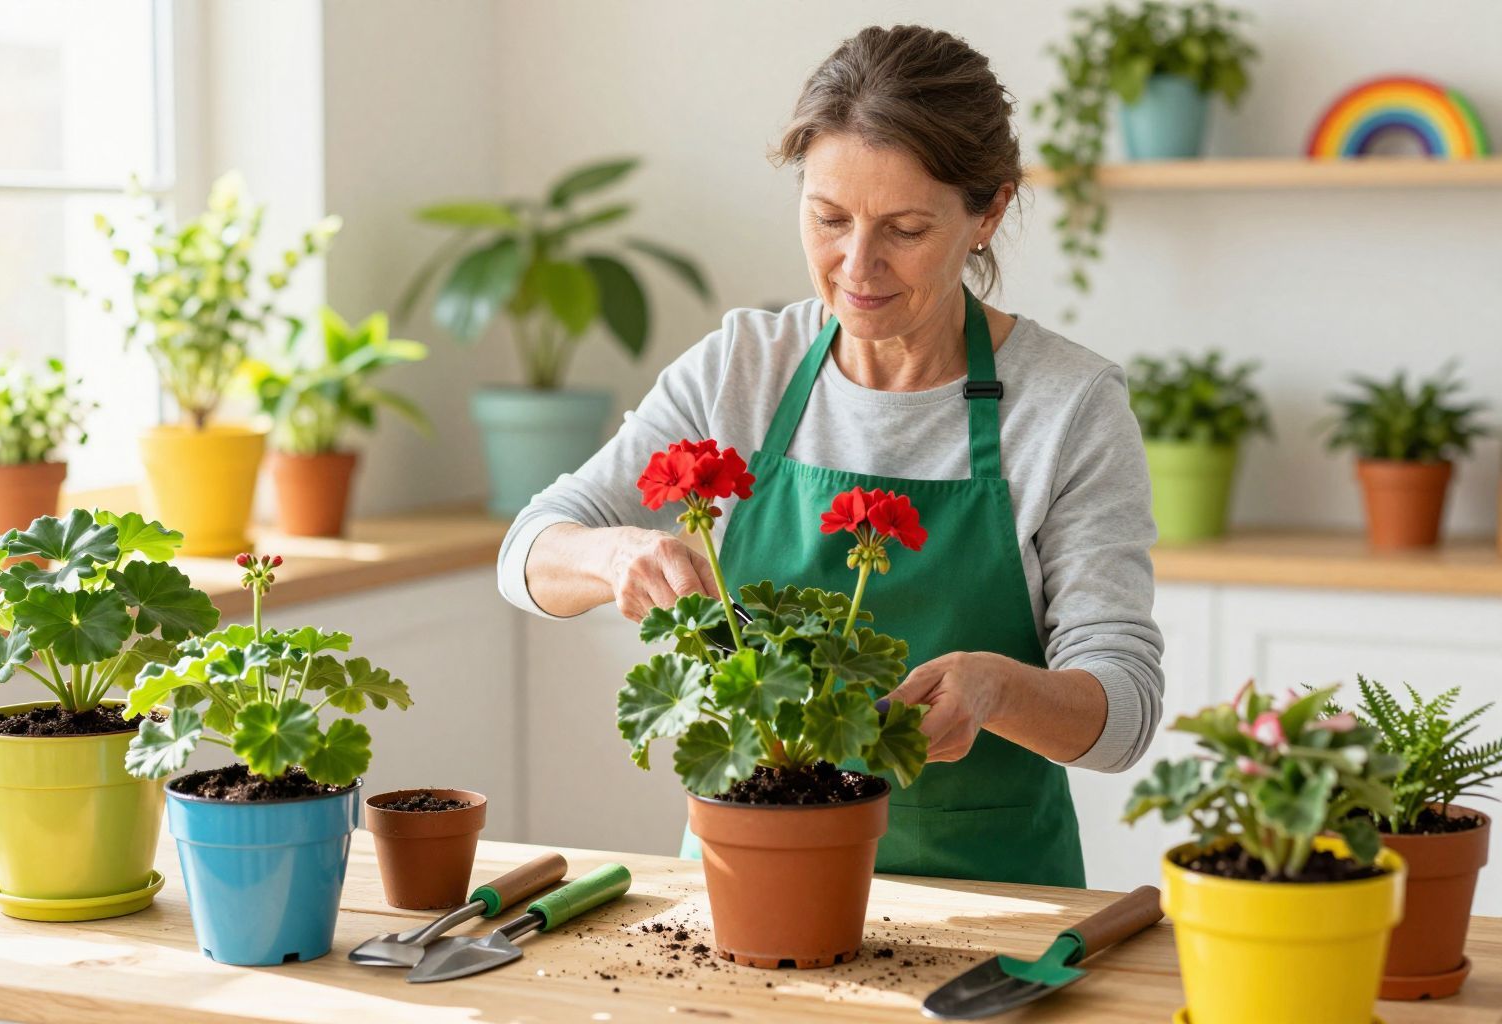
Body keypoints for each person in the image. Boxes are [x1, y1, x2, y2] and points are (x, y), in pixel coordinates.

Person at [497, 24, 1163, 886]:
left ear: (988, 213)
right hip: (747, 890)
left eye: (906, 228)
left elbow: (1125, 711)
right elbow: (528, 551)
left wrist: (1000, 690)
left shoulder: (1068, 407)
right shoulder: (743, 367)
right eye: (829, 218)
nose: (858, 264)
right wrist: (613, 552)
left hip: (989, 906)